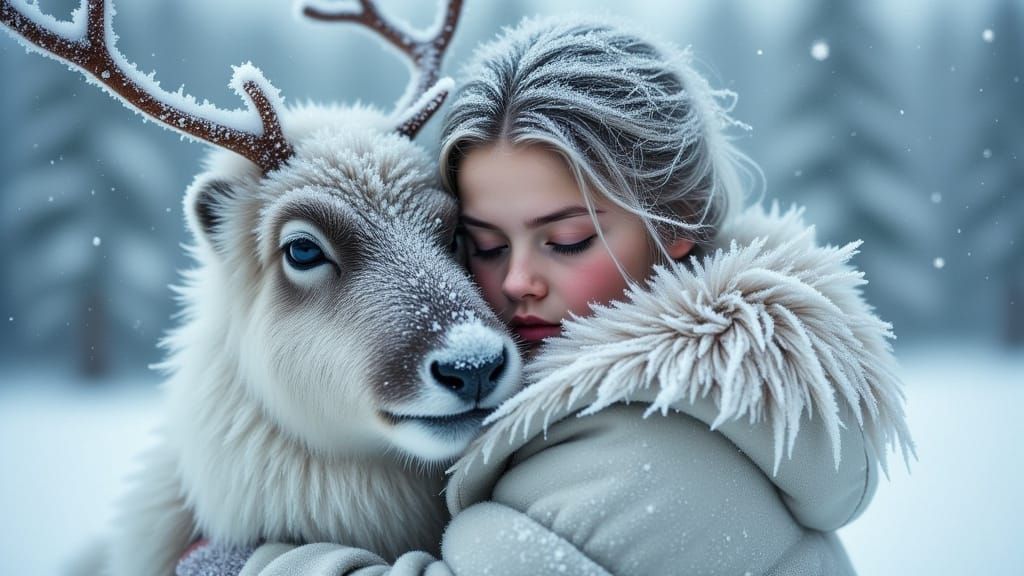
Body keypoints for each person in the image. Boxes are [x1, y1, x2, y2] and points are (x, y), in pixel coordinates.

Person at [179, 13, 912, 576]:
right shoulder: (685, 404)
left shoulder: (654, 441)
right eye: (483, 245)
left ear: (678, 224)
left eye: (566, 241)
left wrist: (251, 565)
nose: (516, 282)